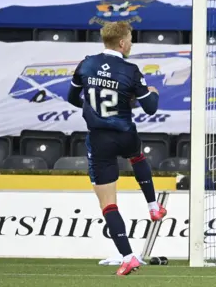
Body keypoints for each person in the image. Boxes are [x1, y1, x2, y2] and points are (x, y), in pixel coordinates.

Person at [67, 21, 167, 276]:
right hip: (124, 133)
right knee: (136, 156)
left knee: (108, 204)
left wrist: (93, 107)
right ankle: (153, 205)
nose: (131, 43)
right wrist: (152, 91)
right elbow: (151, 108)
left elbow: (71, 98)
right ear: (122, 43)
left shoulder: (86, 64)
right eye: (131, 39)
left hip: (99, 138)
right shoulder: (130, 70)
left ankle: (128, 256)